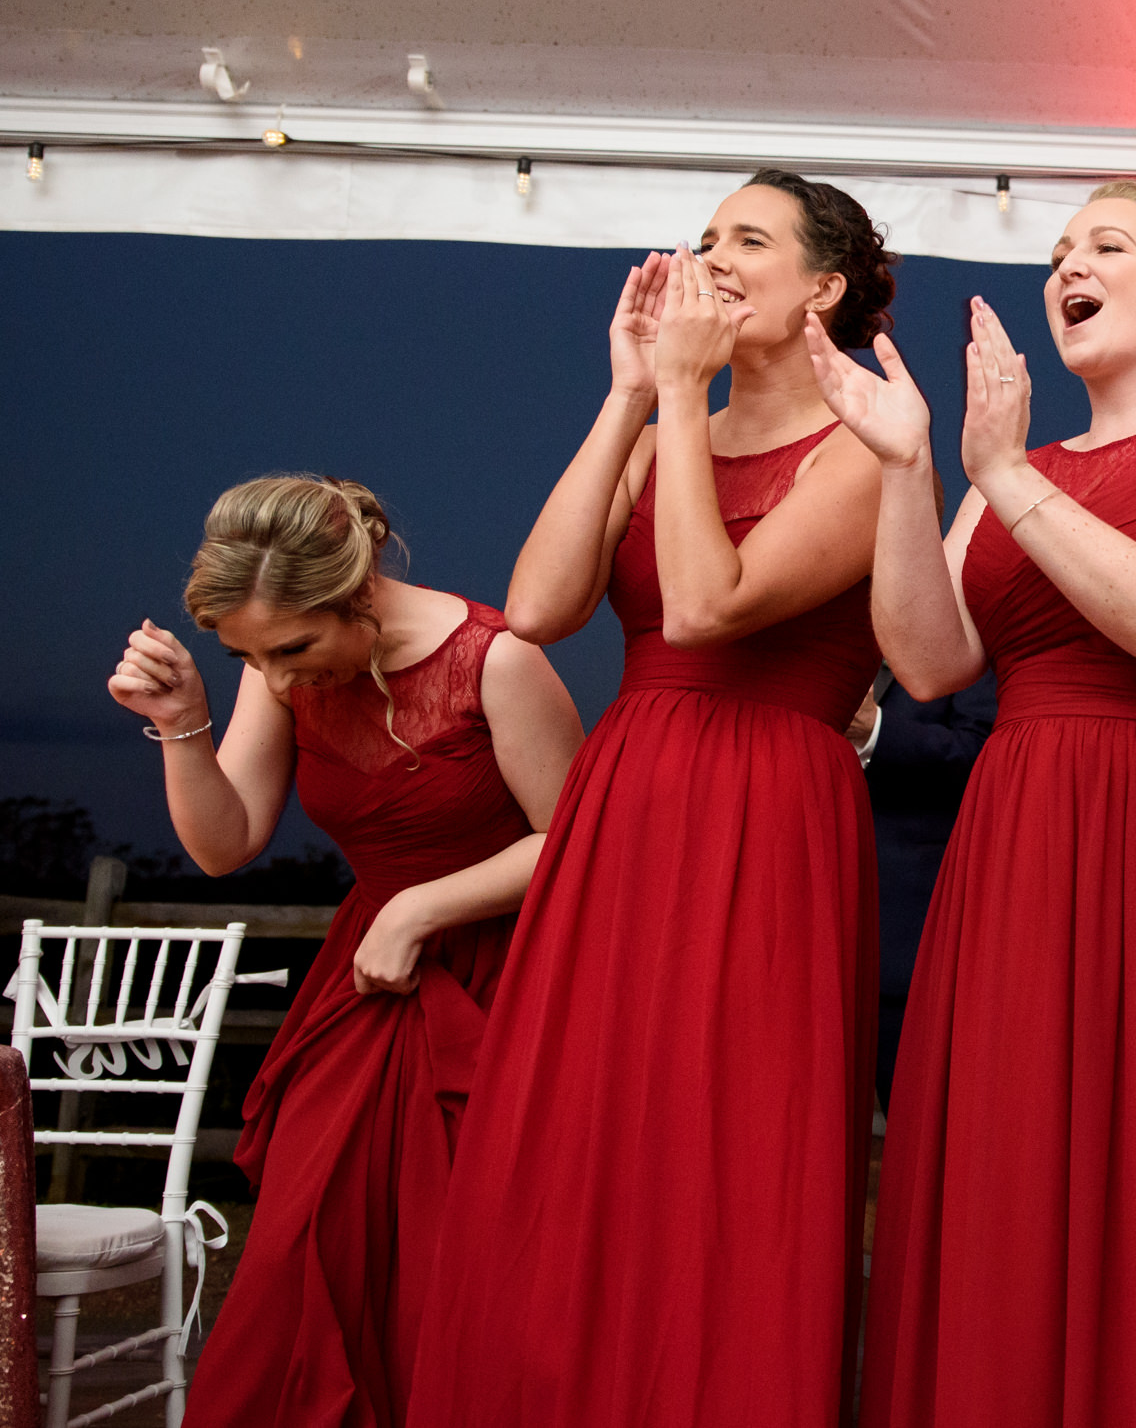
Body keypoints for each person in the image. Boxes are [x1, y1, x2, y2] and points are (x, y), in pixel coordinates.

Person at [812, 180, 1136, 1428]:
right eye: (1057, 252)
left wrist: (998, 473)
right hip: (1022, 841)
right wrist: (907, 470)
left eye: (1105, 245)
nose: (1069, 267)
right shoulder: (1022, 470)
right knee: (1018, 1164)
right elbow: (930, 657)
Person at [409, 172, 893, 1426]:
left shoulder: (865, 447)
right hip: (629, 796)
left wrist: (681, 395)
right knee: (578, 1129)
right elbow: (538, 608)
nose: (712, 255)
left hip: (769, 798)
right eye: (706, 236)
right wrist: (631, 393)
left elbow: (707, 603)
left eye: (750, 239)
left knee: (730, 1142)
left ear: (823, 288)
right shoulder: (655, 421)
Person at [105, 474, 581, 1426]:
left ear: (360, 591)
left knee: (472, 1263)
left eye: (292, 648)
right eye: (250, 656)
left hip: (508, 983)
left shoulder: (496, 659)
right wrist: (179, 726)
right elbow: (224, 841)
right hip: (368, 986)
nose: (278, 679)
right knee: (303, 1242)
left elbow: (576, 841)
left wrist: (421, 908)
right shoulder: (277, 666)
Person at [847, 669, 999, 1104]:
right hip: (805, 925)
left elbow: (982, 754)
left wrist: (874, 730)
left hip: (902, 927)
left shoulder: (965, 640)